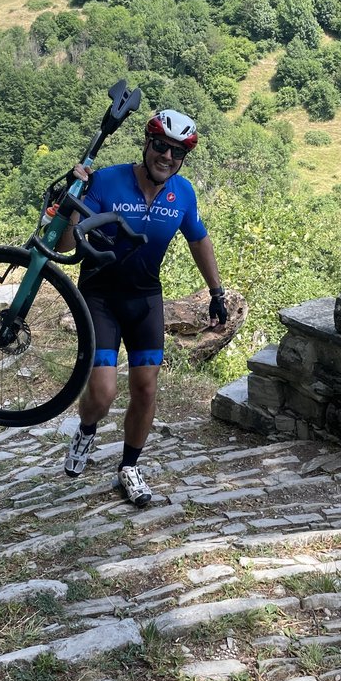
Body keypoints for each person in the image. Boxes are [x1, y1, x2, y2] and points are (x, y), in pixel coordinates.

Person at [59, 108, 228, 507]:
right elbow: (65, 245)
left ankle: (129, 467)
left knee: (146, 388)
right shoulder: (106, 180)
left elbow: (198, 240)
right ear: (146, 143)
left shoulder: (183, 193)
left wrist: (217, 291)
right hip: (99, 298)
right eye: (160, 146)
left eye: (177, 152)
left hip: (145, 299)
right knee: (102, 393)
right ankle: (86, 429)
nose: (166, 157)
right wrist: (72, 199)